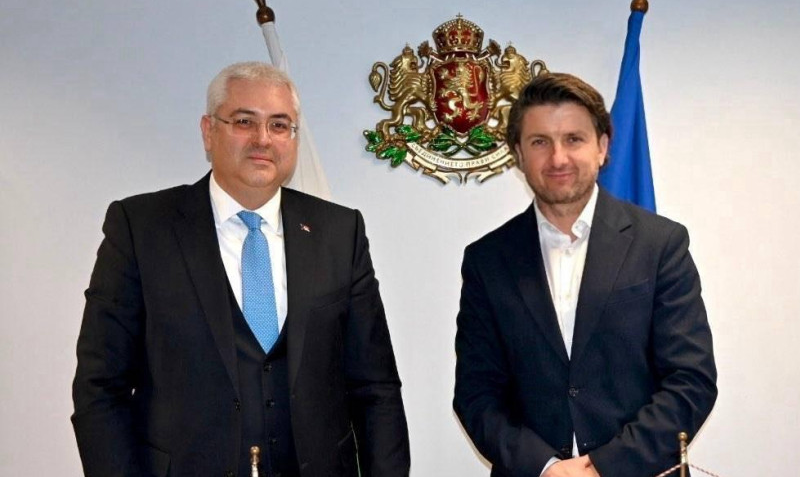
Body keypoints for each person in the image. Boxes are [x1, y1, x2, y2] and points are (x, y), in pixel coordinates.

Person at [72, 62, 410, 477]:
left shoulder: (340, 232)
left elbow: (376, 388)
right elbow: (100, 387)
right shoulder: (142, 228)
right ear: (208, 131)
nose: (262, 139)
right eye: (244, 121)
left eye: (279, 125)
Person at [453, 72, 717, 477]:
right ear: (518, 155)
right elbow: (476, 394)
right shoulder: (487, 260)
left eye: (574, 139)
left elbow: (691, 379)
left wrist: (603, 468)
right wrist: (546, 468)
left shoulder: (660, 244)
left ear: (603, 147)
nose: (558, 158)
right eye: (540, 142)